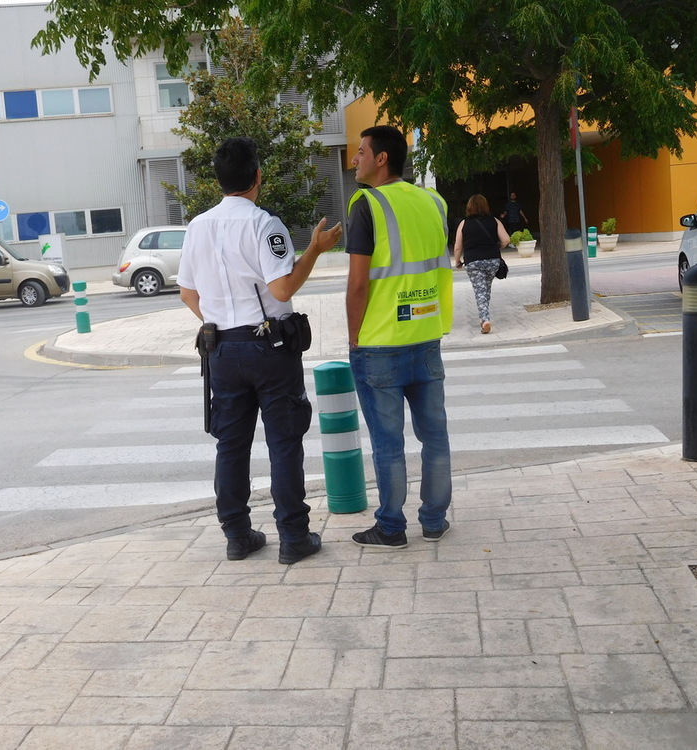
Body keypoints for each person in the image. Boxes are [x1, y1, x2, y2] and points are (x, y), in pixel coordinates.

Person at [177, 136, 343, 565]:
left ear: (218, 179)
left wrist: (218, 323)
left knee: (230, 445)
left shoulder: (197, 226)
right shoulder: (264, 224)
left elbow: (186, 293)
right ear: (258, 177)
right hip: (269, 347)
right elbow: (283, 287)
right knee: (284, 442)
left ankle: (237, 535)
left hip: (221, 349)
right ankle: (293, 537)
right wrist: (315, 250)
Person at [344, 125, 453, 549]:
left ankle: (391, 527)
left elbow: (357, 284)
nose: (356, 159)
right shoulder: (434, 201)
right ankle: (434, 520)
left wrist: (354, 338)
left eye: (361, 152)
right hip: (426, 334)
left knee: (388, 443)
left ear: (381, 158)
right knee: (435, 435)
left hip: (380, 343)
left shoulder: (366, 204)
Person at [454, 194, 510, 334]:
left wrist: (457, 261)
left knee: (480, 291)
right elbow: (506, 240)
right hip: (492, 260)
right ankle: (483, 317)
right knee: (485, 289)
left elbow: (458, 247)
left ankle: (485, 319)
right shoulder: (494, 221)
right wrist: (498, 246)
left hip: (473, 261)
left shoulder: (464, 223)